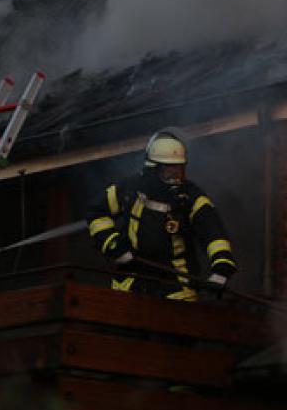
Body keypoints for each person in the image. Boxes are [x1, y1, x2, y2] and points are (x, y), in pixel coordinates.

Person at [86, 129, 237, 301]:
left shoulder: (192, 198)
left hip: (177, 287)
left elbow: (214, 235)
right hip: (130, 282)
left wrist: (221, 269)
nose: (175, 177)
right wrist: (113, 245)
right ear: (153, 169)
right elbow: (96, 212)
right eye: (169, 171)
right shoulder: (131, 188)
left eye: (179, 170)